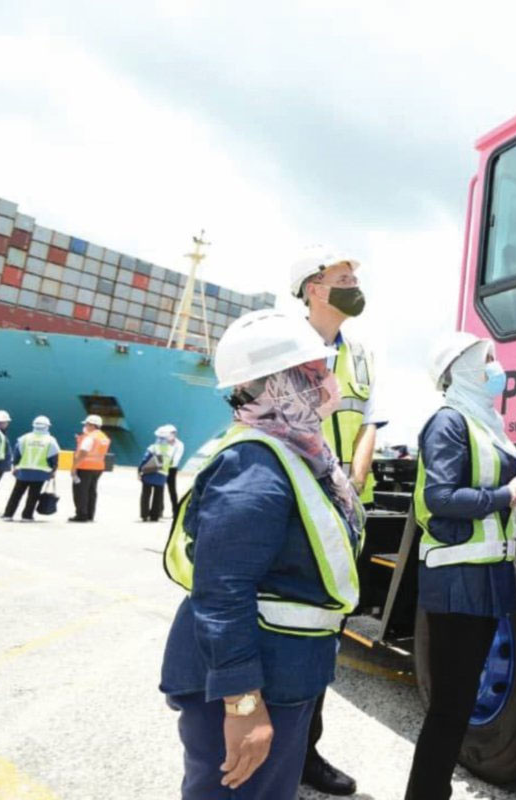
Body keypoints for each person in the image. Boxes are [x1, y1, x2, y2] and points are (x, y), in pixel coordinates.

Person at [159, 308, 365, 800]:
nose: (328, 380)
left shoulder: (297, 453)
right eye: (314, 371)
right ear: (278, 384)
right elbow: (222, 591)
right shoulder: (252, 465)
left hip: (283, 674)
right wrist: (243, 703)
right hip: (250, 684)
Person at [404, 331, 516, 800]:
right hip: (457, 578)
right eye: (488, 361)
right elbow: (437, 497)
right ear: (461, 371)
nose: (497, 369)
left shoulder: (486, 422)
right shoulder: (448, 423)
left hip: (484, 574)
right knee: (450, 705)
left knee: (458, 704)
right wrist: (505, 496)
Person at [289, 244, 386, 796]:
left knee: (326, 626)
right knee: (282, 622)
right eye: (342, 276)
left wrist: (353, 479)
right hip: (293, 497)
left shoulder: (364, 353)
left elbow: (370, 419)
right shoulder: (283, 340)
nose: (353, 282)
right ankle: (261, 737)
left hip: (341, 504)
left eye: (354, 275)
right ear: (313, 288)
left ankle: (305, 750)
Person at [2, 416, 60, 522]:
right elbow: (54, 459)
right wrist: (53, 471)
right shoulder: (51, 441)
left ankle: (8, 514)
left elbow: (16, 455)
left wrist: (15, 467)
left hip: (23, 471)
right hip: (41, 473)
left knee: (16, 494)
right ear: (47, 427)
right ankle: (27, 516)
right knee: (33, 495)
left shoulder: (24, 438)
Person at [70, 414, 110, 523]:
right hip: (98, 468)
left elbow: (83, 452)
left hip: (84, 467)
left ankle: (81, 515)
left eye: (87, 424)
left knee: (80, 492)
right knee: (92, 491)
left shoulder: (90, 437)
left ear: (92, 425)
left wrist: (74, 467)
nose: (85, 426)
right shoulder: (103, 437)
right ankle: (90, 514)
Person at [139, 427, 174, 522]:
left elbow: (145, 459)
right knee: (158, 496)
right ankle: (155, 516)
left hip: (149, 473)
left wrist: (140, 470)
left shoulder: (153, 447)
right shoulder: (171, 449)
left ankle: (144, 515)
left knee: (146, 495)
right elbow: (171, 462)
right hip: (162, 474)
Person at [160, 424, 185, 518]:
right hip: (162, 467)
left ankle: (175, 511)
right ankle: (160, 510)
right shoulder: (163, 443)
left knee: (172, 490)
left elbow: (176, 459)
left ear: (174, 434)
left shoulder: (180, 444)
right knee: (160, 489)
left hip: (172, 469)